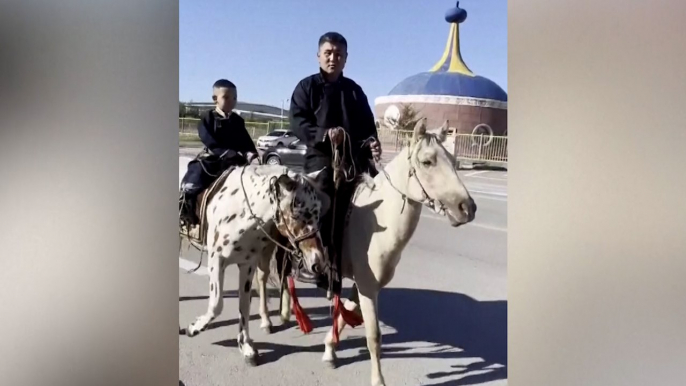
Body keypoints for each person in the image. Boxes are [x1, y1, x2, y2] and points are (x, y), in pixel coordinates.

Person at [288, 31, 382, 292]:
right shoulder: (306, 88)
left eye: (338, 54)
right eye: (328, 53)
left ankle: (362, 263)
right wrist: (324, 135)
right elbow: (298, 122)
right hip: (320, 161)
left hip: (353, 163)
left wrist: (371, 142)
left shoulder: (354, 91)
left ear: (345, 59)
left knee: (376, 200)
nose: (333, 58)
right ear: (319, 55)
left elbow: (367, 126)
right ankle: (314, 264)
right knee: (323, 208)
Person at [179, 79, 258, 227]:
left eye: (234, 98)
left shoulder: (237, 120)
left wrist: (250, 152)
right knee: (196, 173)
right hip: (214, 158)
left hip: (235, 160)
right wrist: (225, 152)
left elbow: (245, 140)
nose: (231, 101)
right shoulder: (208, 118)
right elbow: (207, 138)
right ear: (215, 99)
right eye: (226, 97)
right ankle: (186, 207)